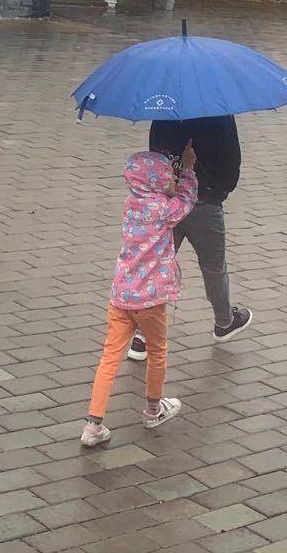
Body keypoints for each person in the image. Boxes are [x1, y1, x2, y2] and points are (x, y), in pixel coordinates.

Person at [81, 143, 198, 449]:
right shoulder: (163, 209)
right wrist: (187, 169)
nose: (170, 179)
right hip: (149, 301)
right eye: (166, 176)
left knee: (110, 357)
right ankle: (153, 411)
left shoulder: (131, 204)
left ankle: (93, 425)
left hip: (121, 296)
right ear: (156, 181)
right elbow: (186, 200)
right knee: (157, 352)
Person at [128, 117, 253, 363]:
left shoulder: (164, 111)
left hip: (167, 202)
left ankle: (142, 335)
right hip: (204, 202)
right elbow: (231, 162)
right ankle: (224, 321)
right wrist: (219, 190)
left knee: (156, 265)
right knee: (213, 267)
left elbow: (155, 156)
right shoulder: (220, 116)